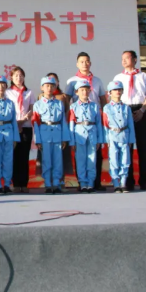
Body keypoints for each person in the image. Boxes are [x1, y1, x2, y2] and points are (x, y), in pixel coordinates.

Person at [113, 50, 146, 191]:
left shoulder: (143, 76)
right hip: (125, 111)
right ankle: (129, 180)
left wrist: (142, 110)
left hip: (140, 109)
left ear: (135, 59)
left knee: (142, 147)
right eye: (122, 58)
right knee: (127, 148)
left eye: (127, 58)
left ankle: (143, 180)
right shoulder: (118, 77)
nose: (124, 61)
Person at [65, 52, 107, 191]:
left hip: (93, 122)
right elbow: (66, 100)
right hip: (79, 126)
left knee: (94, 158)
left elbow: (103, 99)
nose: (85, 64)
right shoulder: (72, 81)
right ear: (77, 64)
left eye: (87, 61)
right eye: (82, 61)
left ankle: (93, 183)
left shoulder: (97, 80)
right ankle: (82, 183)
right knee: (81, 158)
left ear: (90, 63)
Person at [33, 76, 70, 194]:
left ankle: (56, 182)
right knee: (46, 160)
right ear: (42, 88)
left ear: (55, 88)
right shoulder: (37, 104)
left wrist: (65, 138)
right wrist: (38, 140)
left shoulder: (59, 103)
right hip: (45, 134)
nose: (49, 88)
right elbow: (36, 123)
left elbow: (63, 121)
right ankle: (48, 183)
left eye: (51, 86)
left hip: (57, 134)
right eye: (47, 86)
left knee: (58, 160)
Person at [69, 79, 104, 193]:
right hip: (79, 134)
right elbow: (71, 124)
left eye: (87, 89)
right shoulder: (73, 107)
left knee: (92, 160)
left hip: (92, 134)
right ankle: (83, 183)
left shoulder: (94, 106)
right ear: (77, 92)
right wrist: (72, 141)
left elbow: (99, 123)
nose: (84, 92)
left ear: (90, 91)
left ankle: (90, 183)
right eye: (82, 90)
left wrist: (100, 139)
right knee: (80, 160)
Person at [103, 81, 136, 193]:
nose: (117, 92)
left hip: (124, 136)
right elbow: (105, 125)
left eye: (119, 89)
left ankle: (123, 183)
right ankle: (116, 184)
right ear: (110, 93)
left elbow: (130, 124)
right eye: (115, 90)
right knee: (114, 160)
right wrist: (106, 140)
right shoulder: (107, 108)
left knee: (125, 160)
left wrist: (131, 139)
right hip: (112, 136)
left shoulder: (126, 108)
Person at [5, 66, 34, 193]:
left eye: (21, 75)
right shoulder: (7, 92)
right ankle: (16, 183)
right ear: (11, 77)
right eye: (16, 75)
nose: (19, 78)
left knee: (24, 155)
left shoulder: (29, 92)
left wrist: (24, 120)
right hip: (12, 127)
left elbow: (32, 109)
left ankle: (24, 183)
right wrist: (16, 122)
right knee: (14, 155)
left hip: (26, 126)